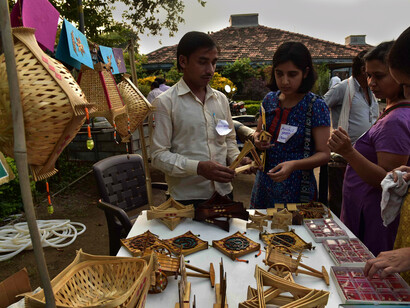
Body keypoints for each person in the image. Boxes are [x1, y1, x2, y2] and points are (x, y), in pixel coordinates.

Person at [328, 41, 410, 257]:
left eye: (379, 76)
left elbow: (388, 181)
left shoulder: (395, 120)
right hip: (366, 210)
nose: (371, 82)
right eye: (368, 75)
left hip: (374, 217)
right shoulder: (391, 109)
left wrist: (348, 152)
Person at [150, 31, 249, 207]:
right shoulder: (165, 103)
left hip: (224, 193)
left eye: (214, 62)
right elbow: (158, 156)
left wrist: (237, 158)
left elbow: (226, 138)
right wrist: (198, 167)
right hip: (185, 200)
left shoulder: (221, 100)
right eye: (202, 62)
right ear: (183, 61)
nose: (210, 70)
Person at [250, 42, 331, 208]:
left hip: (297, 187)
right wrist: (258, 140)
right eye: (279, 74)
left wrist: (294, 165)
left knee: (294, 232)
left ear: (305, 73)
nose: (284, 81)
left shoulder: (315, 106)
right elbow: (258, 132)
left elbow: (324, 153)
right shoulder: (269, 100)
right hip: (264, 184)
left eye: (292, 74)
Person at [324, 50, 379, 144]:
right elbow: (319, 107)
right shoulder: (343, 88)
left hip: (370, 149)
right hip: (347, 151)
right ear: (363, 70)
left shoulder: (372, 90)